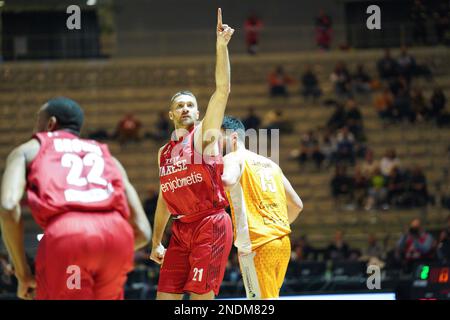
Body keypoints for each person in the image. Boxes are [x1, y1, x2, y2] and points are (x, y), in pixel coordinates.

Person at [0, 97, 151, 300]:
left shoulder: (29, 149)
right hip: (118, 238)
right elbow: (142, 230)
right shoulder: (108, 156)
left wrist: (22, 271)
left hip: (68, 236)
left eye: (37, 121)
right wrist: (103, 250)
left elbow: (8, 206)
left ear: (50, 123)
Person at [149, 9, 235, 300]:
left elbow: (222, 90)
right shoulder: (164, 152)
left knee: (200, 301)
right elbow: (164, 197)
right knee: (164, 298)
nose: (185, 108)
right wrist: (155, 241)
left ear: (198, 113)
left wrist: (221, 48)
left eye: (190, 105)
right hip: (180, 228)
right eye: (180, 105)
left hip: (210, 223)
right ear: (170, 114)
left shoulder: (203, 135)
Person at [220, 116, 303, 299]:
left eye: (219, 139)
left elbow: (227, 181)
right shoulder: (271, 164)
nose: (217, 146)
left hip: (258, 245)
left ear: (233, 138)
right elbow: (297, 205)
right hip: (282, 242)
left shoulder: (232, 158)